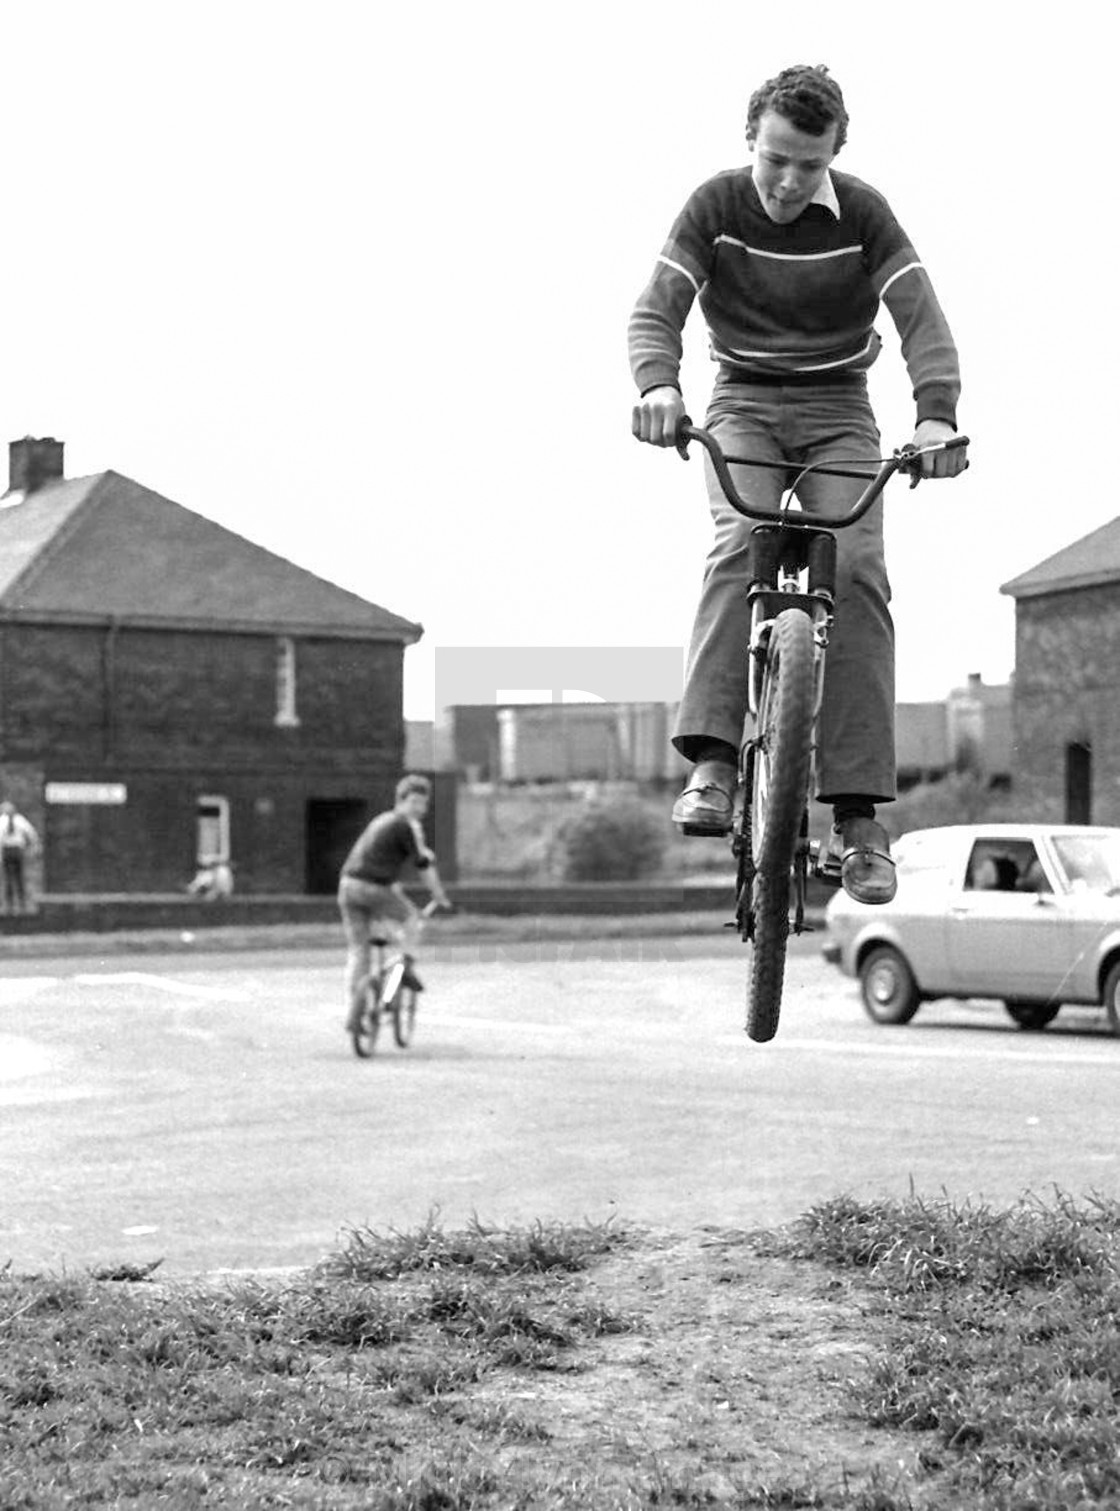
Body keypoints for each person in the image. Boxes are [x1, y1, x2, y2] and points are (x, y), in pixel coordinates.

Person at [629, 64, 968, 906]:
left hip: (839, 413)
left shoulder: (864, 214)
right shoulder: (715, 206)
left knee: (855, 569)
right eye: (775, 157)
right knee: (736, 542)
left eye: (808, 165)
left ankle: (857, 820)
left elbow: (921, 317)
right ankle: (712, 763)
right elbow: (655, 310)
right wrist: (657, 386)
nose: (787, 181)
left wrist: (935, 416)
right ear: (752, 140)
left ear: (833, 159)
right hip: (739, 402)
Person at [337, 774, 452, 1035]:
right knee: (412, 920)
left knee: (359, 951)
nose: (419, 809)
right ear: (400, 801)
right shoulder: (404, 825)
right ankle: (406, 966)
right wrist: (439, 894)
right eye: (414, 802)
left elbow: (377, 863)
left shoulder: (381, 821)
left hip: (348, 887)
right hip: (372, 889)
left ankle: (354, 1012)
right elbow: (423, 866)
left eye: (423, 804)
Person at [0, 800, 40, 914]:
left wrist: (34, 846)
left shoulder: (19, 820)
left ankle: (22, 905)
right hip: (7, 850)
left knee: (19, 878)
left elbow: (31, 833)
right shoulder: (2, 821)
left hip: (17, 851)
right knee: (7, 879)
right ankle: (9, 905)